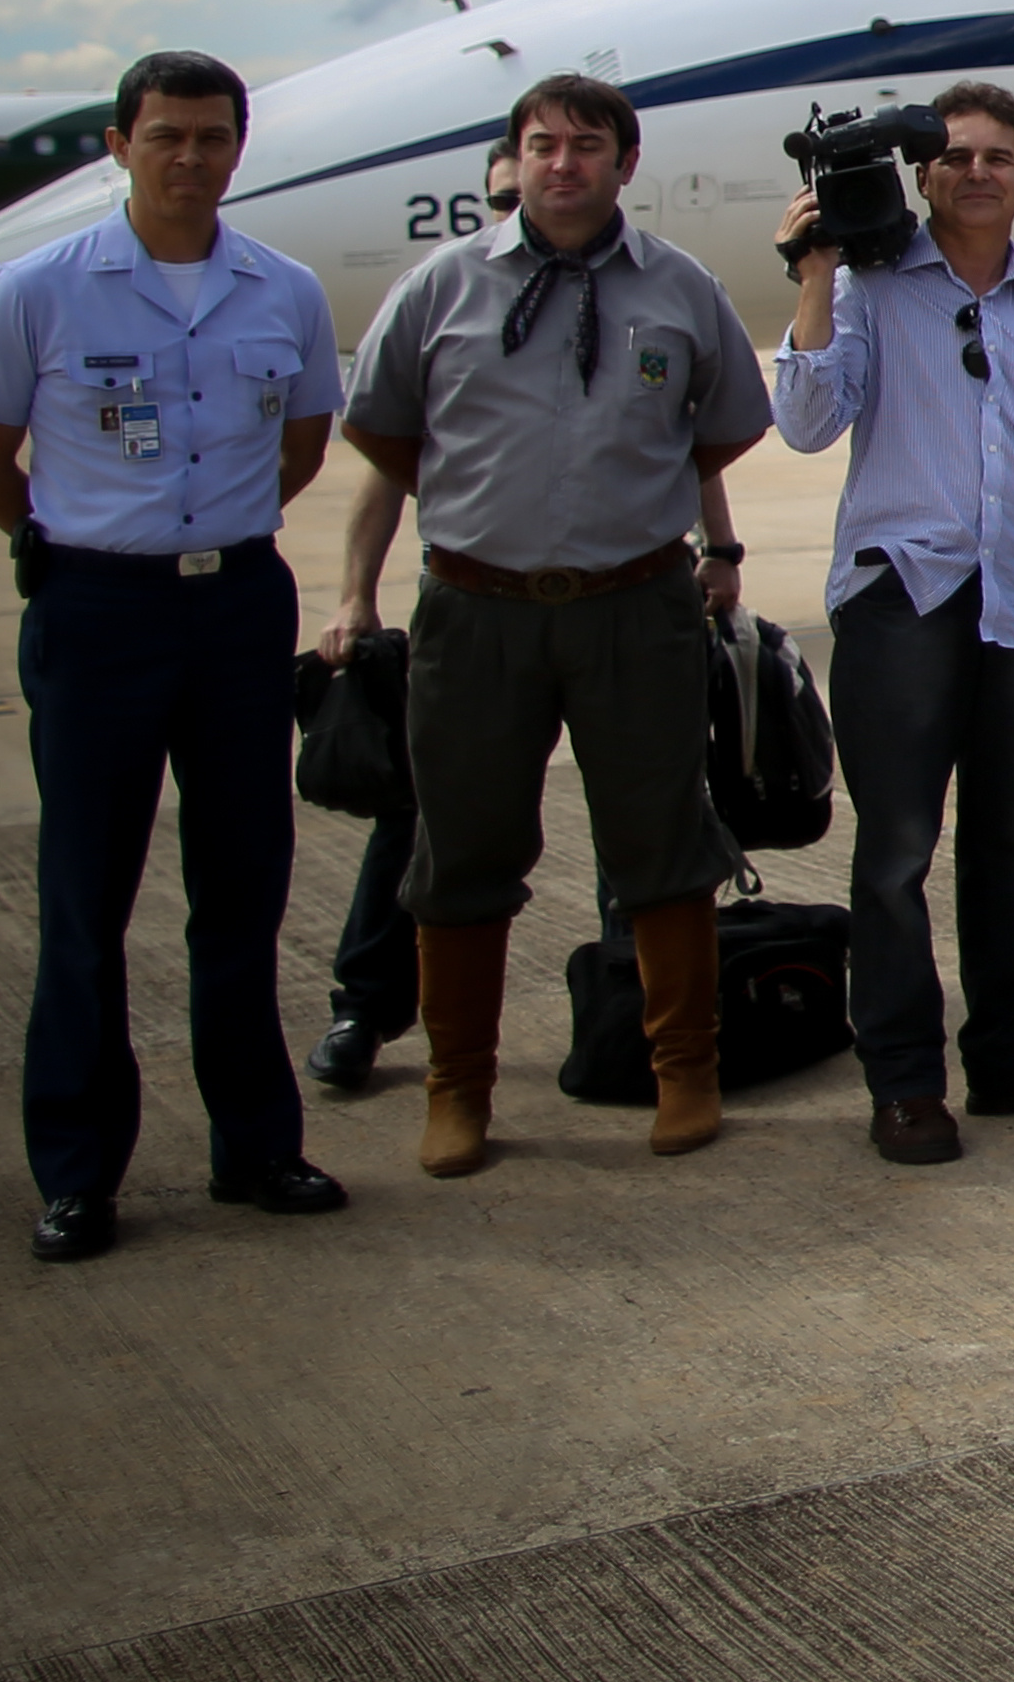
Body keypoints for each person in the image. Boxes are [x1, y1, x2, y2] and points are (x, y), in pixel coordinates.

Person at [322, 74, 769, 1176]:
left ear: (626, 161)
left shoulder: (680, 287)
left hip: (636, 607)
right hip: (479, 611)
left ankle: (684, 1070)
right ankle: (457, 1086)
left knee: (663, 843)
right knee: (461, 849)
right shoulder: (442, 285)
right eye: (541, 144)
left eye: (585, 144)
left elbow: (722, 425)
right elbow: (381, 431)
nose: (561, 163)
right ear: (515, 160)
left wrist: (667, 525)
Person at [0, 50, 347, 1263]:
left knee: (242, 890)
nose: (190, 157)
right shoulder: (38, 291)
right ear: (118, 145)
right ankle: (77, 1171)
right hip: (95, 613)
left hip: (232, 609)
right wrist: (71, 545)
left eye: (212, 136)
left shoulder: (284, 289)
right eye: (166, 134)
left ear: (238, 148)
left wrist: (210, 535)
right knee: (86, 899)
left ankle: (256, 1147)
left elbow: (304, 439)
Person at [773, 80, 1014, 1166]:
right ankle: (902, 1080)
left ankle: (1013, 1052)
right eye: (955, 155)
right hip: (902, 598)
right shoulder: (874, 292)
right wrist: (817, 272)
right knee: (894, 850)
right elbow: (803, 419)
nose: (976, 170)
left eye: (998, 157)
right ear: (921, 173)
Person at [303, 134, 512, 1097]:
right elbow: (386, 471)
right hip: (467, 605)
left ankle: (630, 1007)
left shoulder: (643, 291)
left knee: (637, 821)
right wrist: (354, 594)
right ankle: (365, 1004)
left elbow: (694, 449)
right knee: (423, 816)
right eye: (503, 195)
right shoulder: (443, 298)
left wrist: (717, 556)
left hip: (613, 604)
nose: (523, 209)